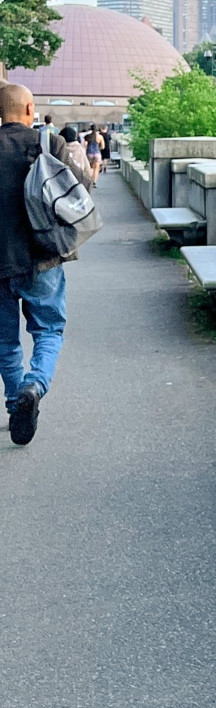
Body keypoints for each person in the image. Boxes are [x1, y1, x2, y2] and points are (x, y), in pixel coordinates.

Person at [0, 82, 68, 446]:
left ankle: (15, 404)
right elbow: (78, 191)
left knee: (4, 341)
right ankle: (34, 386)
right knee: (49, 331)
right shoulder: (48, 145)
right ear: (29, 110)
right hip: (42, 258)